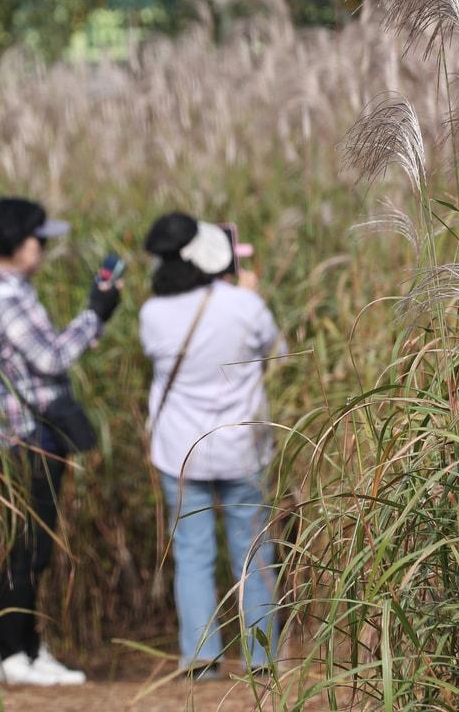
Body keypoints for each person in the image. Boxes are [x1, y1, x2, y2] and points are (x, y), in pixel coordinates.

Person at [0, 197, 122, 687]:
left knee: (33, 546)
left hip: (28, 438)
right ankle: (8, 653)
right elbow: (51, 358)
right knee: (26, 545)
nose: (45, 247)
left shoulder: (11, 290)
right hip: (22, 441)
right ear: (14, 242)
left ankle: (24, 648)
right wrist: (95, 314)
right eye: (39, 238)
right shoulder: (6, 296)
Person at [140, 212, 284, 679]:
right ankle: (261, 657)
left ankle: (202, 659)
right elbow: (277, 351)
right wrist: (250, 294)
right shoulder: (242, 305)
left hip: (181, 451)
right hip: (243, 447)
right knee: (254, 551)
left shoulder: (152, 313)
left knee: (193, 554)